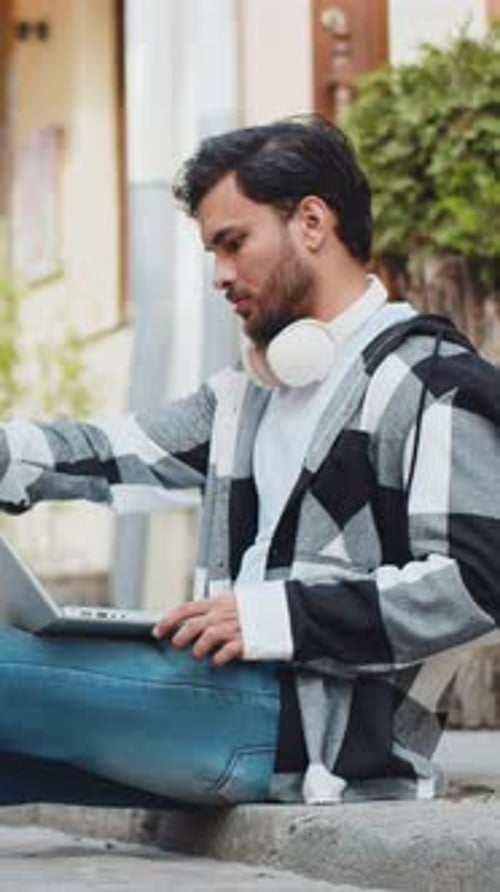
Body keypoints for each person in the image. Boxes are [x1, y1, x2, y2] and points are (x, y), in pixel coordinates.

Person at [0, 115, 499, 808]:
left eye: (233, 244)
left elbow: (475, 583)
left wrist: (271, 616)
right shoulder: (251, 393)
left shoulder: (434, 380)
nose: (220, 276)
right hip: (217, 697)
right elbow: (111, 450)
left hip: (313, 734)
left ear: (312, 223)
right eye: (212, 252)